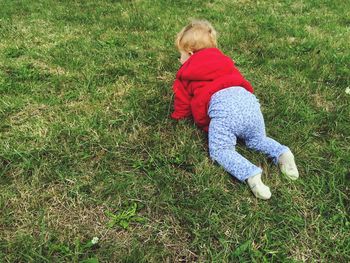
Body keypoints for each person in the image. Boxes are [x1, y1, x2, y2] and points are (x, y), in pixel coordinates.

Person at [171, 20, 299, 200]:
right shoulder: (224, 61)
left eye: (181, 55)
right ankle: (282, 153)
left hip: (224, 109)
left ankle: (251, 174)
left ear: (190, 53)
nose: (180, 60)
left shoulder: (185, 73)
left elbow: (183, 102)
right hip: (249, 102)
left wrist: (179, 117)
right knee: (257, 139)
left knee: (221, 150)